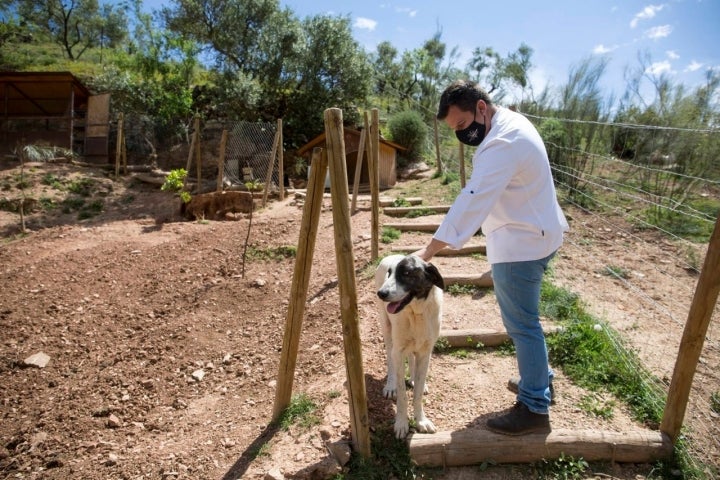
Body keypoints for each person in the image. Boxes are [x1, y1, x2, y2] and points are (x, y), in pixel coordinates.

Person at [412, 79, 569, 435]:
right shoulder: (509, 124)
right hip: (533, 231)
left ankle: (533, 407)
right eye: (454, 130)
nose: (462, 135)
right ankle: (539, 380)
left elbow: (473, 198)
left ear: (481, 108)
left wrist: (429, 249)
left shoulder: (502, 142)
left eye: (463, 126)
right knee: (526, 321)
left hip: (523, 244)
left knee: (522, 325)